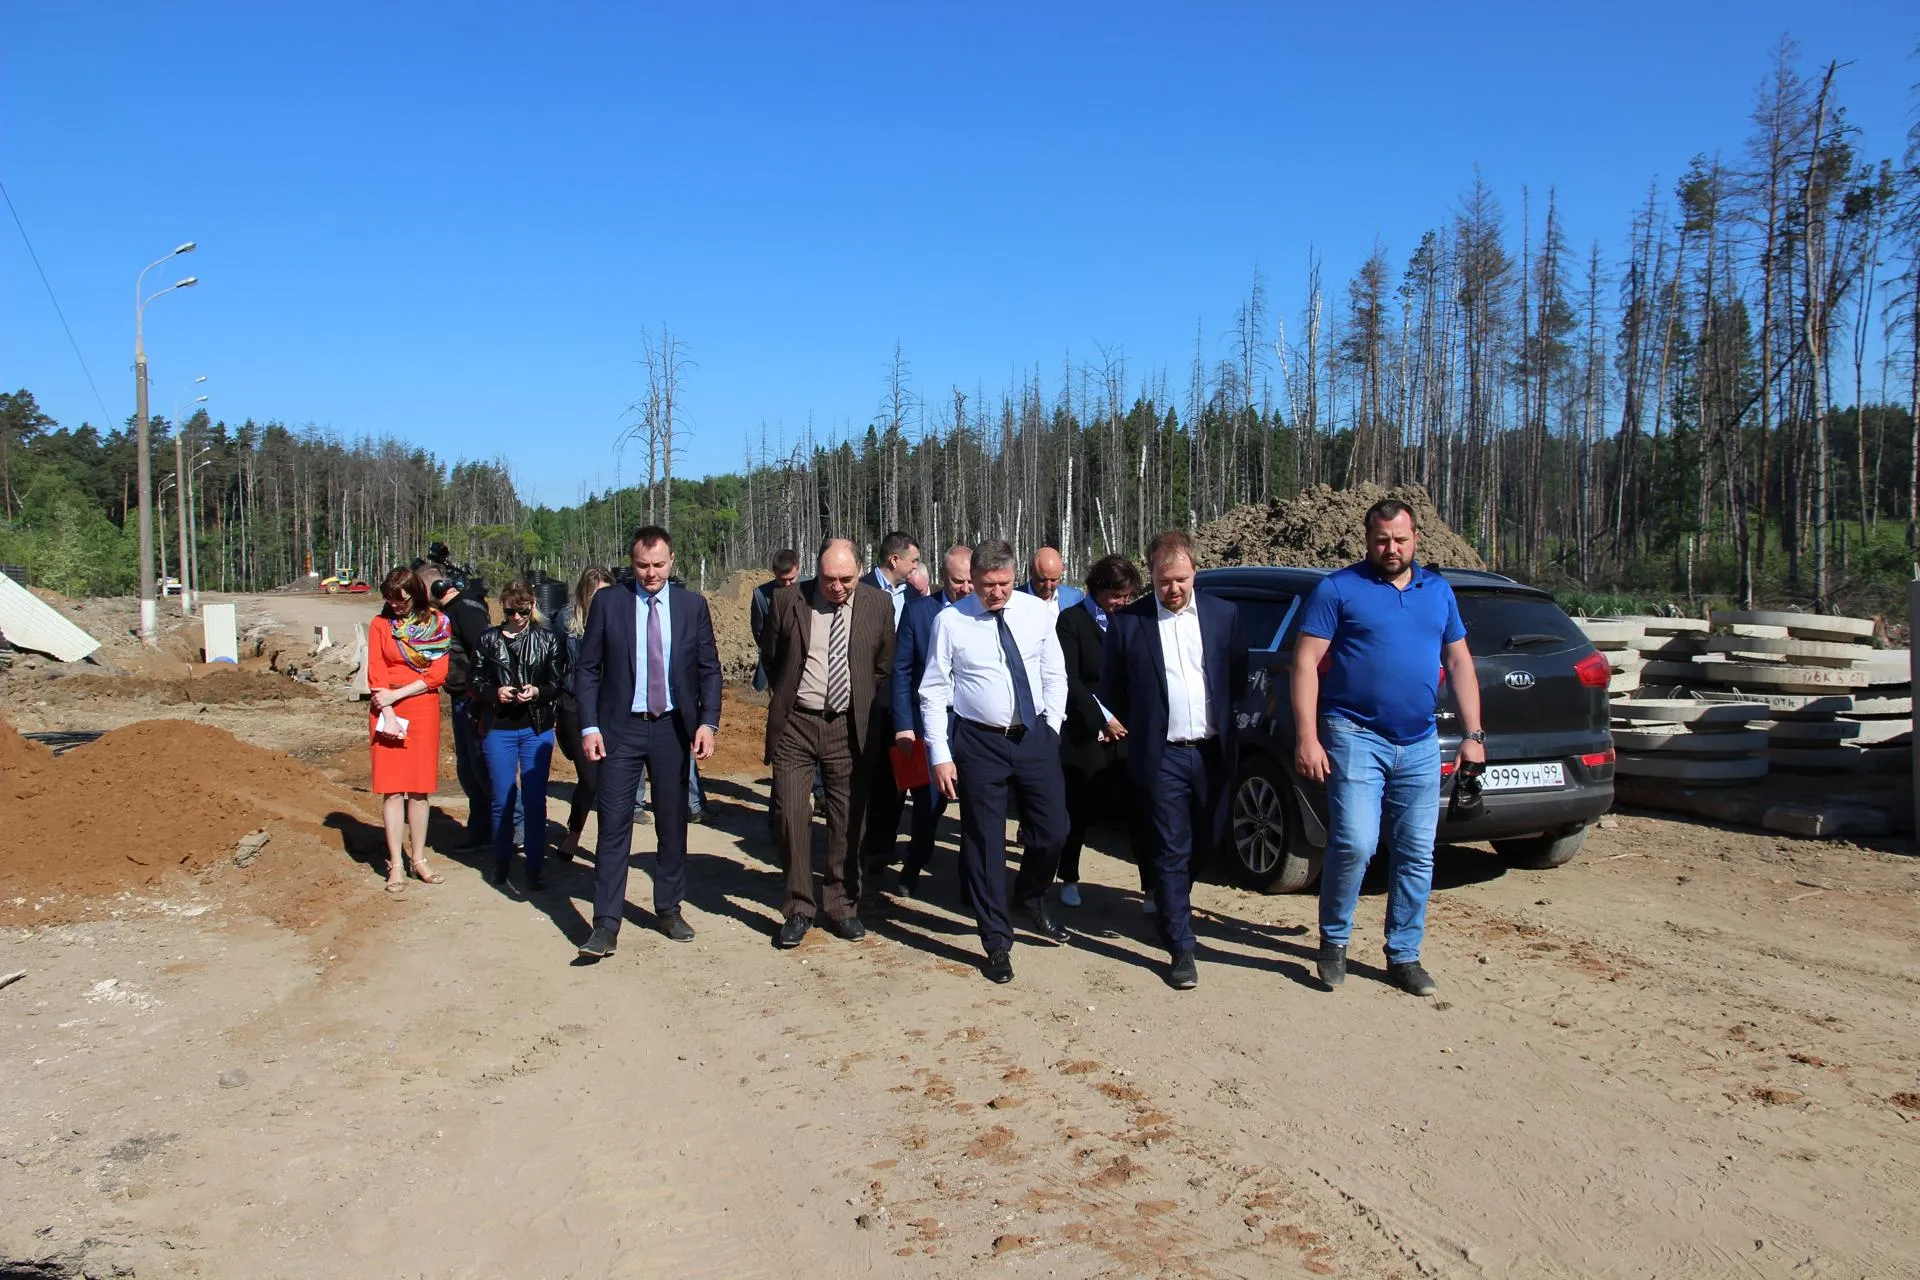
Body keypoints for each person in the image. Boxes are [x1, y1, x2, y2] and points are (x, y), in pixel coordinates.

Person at [1292, 499, 1484, 999]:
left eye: (1400, 539)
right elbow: (1306, 664)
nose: (1391, 548)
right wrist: (1308, 737)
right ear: (1367, 538)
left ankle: (1404, 954)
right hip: (1354, 735)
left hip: (1419, 741)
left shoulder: (1437, 592)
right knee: (1355, 843)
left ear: (1416, 537)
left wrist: (1474, 734)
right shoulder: (1338, 589)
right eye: (1381, 540)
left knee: (1417, 852)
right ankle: (1333, 941)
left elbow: (1460, 663)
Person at [919, 539, 1070, 985]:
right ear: (975, 580)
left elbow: (1054, 671)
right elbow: (933, 690)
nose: (996, 593)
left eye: (1003, 584)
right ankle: (996, 942)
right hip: (979, 742)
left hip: (1035, 736)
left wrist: (1053, 727)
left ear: (1012, 575)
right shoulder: (951, 621)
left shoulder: (1036, 612)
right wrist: (940, 754)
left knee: (1054, 830)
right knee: (984, 844)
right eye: (987, 585)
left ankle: (1030, 893)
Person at [1101, 532, 1245, 990]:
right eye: (1165, 582)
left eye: (1181, 579)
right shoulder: (1130, 624)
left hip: (1212, 752)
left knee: (1207, 837)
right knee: (1170, 847)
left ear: (1195, 573)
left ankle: (1172, 900)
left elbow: (1236, 675)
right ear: (1153, 578)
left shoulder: (1224, 616)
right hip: (1162, 754)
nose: (1174, 589)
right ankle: (1181, 946)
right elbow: (1113, 687)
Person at [574, 526, 723, 959]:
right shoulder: (609, 603)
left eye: (658, 565)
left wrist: (707, 723)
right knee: (614, 825)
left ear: (672, 560)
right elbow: (587, 669)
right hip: (621, 728)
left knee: (672, 824)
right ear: (631, 561)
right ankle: (605, 923)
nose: (650, 573)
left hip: (674, 729)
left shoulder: (692, 606)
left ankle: (669, 907)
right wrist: (590, 727)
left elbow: (709, 669)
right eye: (642, 565)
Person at [759, 539, 896, 946]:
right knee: (790, 813)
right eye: (828, 578)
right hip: (797, 724)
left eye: (846, 579)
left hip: (848, 727)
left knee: (848, 819)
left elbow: (883, 665)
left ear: (860, 571)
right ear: (815, 571)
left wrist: (857, 701)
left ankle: (841, 904)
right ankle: (799, 906)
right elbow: (772, 656)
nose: (836, 587)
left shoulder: (878, 605)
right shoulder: (789, 600)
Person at [1054, 554, 1141, 908]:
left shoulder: (1131, 621)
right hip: (1085, 730)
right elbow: (1070, 679)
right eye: (1117, 595)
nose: (1122, 602)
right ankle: (1068, 877)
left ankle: (1150, 887)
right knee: (1078, 808)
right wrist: (1101, 718)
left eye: (1127, 596)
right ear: (1099, 589)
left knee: (1138, 806)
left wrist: (1125, 719)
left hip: (1127, 728)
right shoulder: (1071, 622)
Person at [887, 545, 973, 898]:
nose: (966, 588)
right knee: (929, 803)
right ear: (942, 578)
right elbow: (902, 671)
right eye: (958, 581)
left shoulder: (985, 613)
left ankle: (971, 882)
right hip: (931, 721)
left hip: (972, 723)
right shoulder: (919, 613)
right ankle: (914, 863)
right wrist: (903, 724)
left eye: (971, 581)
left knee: (977, 804)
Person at [471, 581, 565, 890]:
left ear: (532, 606)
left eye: (522, 612)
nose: (516, 618)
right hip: (499, 727)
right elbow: (475, 681)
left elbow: (556, 683)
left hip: (535, 727)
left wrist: (537, 691)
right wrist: (495, 692)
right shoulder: (487, 639)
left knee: (536, 799)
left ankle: (535, 866)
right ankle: (501, 861)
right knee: (503, 798)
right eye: (510, 612)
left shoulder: (547, 640)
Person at [368, 567, 452, 893]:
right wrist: (386, 709)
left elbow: (437, 674)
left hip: (420, 707)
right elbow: (376, 670)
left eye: (400, 601)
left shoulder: (438, 623)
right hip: (386, 709)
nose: (395, 607)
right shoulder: (379, 625)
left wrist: (398, 694)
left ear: (414, 595)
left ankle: (419, 858)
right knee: (392, 789)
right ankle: (396, 863)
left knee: (418, 789)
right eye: (389, 601)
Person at [857, 530, 924, 882]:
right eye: (913, 560)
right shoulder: (861, 589)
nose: (916, 567)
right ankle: (864, 847)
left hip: (902, 701)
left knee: (898, 779)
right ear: (894, 560)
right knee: (870, 778)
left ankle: (883, 846)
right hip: (869, 699)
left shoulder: (913, 595)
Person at [433, 574, 500, 849]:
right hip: (459, 695)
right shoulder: (451, 612)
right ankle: (481, 830)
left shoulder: (467, 610)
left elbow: (487, 653)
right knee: (469, 769)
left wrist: (483, 694)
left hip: (473, 698)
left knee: (482, 766)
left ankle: (510, 828)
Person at [553, 566, 614, 861]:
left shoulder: (620, 619)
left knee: (611, 780)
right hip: (574, 705)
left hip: (611, 707)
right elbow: (556, 663)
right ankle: (574, 832)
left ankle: (608, 843)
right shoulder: (567, 620)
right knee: (590, 778)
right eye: (596, 595)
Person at [751, 549, 802, 693]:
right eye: (782, 580)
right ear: (774, 573)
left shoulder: (811, 589)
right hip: (774, 667)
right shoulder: (761, 595)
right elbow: (759, 632)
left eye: (791, 579)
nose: (787, 584)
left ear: (797, 568)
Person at [1018, 546, 1087, 617]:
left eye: (1053, 580)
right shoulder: (1014, 599)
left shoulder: (1075, 598)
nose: (1048, 586)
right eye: (1042, 580)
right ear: (1031, 571)